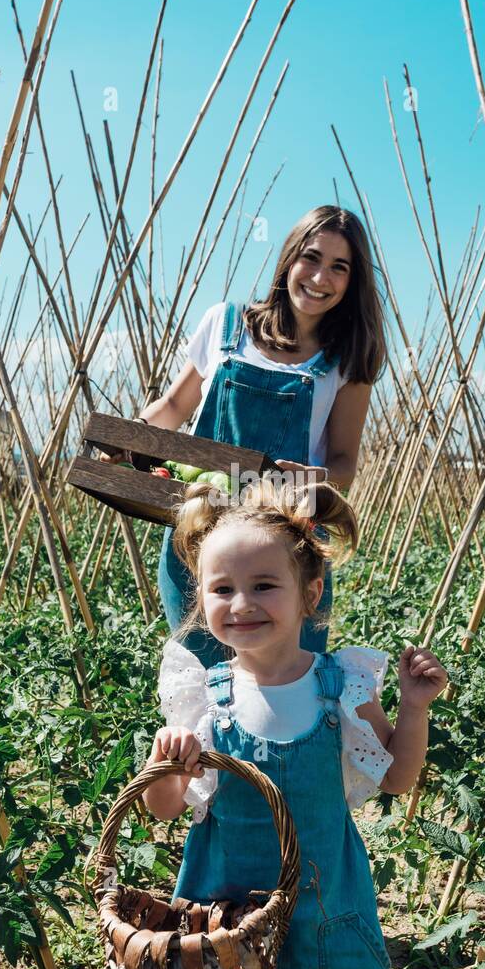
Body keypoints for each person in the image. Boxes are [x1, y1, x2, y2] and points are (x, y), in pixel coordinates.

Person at [141, 475, 448, 969]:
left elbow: (396, 778)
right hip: (217, 916)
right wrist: (166, 765)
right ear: (201, 599)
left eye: (263, 586)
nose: (242, 603)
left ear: (310, 593)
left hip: (319, 908)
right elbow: (166, 809)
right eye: (222, 589)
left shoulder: (340, 684)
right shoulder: (204, 696)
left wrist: (413, 708)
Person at [102, 204, 388, 668]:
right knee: (204, 680)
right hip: (200, 532)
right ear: (289, 258)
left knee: (292, 681)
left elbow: (343, 463)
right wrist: (130, 439)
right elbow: (174, 408)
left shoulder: (347, 359)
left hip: (290, 544)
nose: (320, 277)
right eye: (311, 258)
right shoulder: (227, 324)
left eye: (340, 267)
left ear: (353, 281)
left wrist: (309, 477)